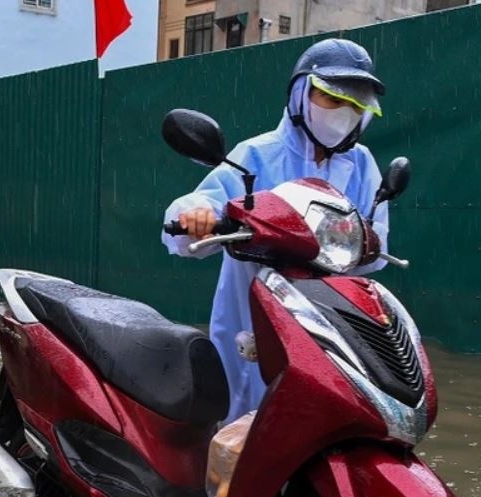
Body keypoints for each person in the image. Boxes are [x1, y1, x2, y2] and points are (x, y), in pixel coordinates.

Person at [162, 38, 390, 423]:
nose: (343, 113)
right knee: (243, 420)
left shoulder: (363, 165)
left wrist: (369, 242)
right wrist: (195, 217)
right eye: (332, 99)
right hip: (252, 318)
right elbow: (192, 217)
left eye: (355, 105)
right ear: (301, 94)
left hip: (333, 318)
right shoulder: (255, 155)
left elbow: (376, 245)